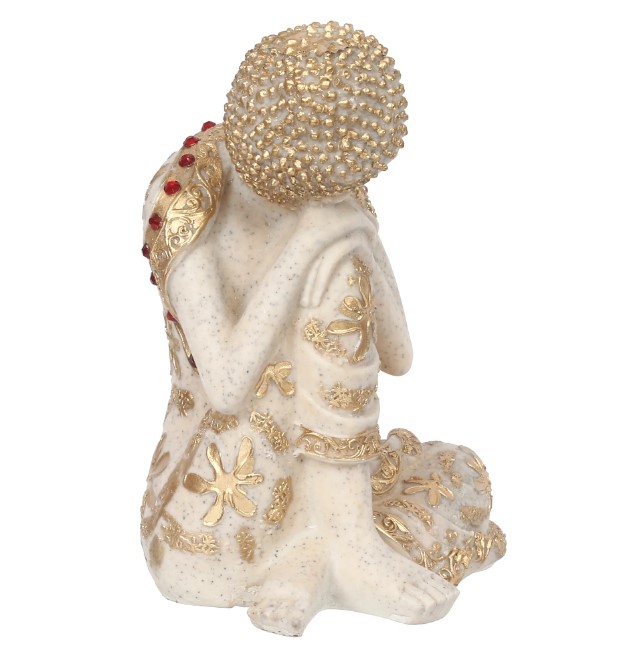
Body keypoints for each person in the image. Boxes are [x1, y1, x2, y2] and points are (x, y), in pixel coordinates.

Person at [140, 22, 504, 636]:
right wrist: (305, 246)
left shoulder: (327, 174)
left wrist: (361, 238)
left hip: (338, 465)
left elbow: (400, 355)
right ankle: (334, 549)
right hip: (227, 472)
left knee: (460, 472)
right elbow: (226, 386)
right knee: (188, 571)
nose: (313, 199)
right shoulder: (188, 197)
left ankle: (335, 547)